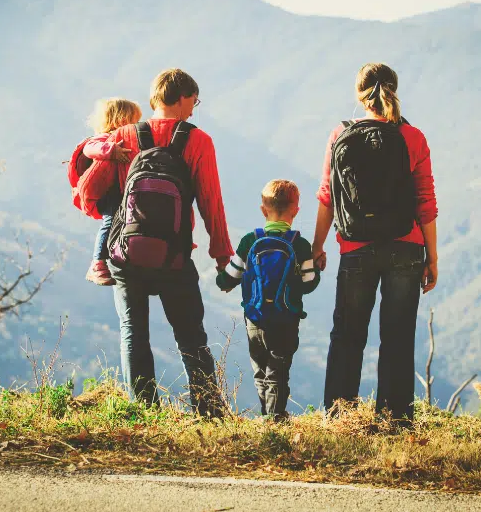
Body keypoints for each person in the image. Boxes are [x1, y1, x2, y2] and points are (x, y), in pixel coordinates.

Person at [79, 68, 234, 417]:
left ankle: (145, 412)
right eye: (193, 101)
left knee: (133, 331)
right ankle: (209, 412)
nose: (194, 110)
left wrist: (112, 204)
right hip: (175, 257)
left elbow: (87, 191)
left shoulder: (122, 137)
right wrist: (222, 254)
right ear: (181, 99)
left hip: (125, 255)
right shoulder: (198, 141)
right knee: (191, 335)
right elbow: (212, 202)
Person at [312, 62, 438, 426]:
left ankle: (339, 416)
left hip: (355, 249)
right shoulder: (412, 137)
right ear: (395, 90)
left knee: (348, 334)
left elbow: (327, 196)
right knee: (397, 336)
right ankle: (395, 419)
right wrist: (432, 257)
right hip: (406, 247)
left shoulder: (340, 134)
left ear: (359, 94)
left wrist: (318, 246)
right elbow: (425, 201)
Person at [216, 180, 320, 420]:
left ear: (263, 210)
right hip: (286, 319)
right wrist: (317, 268)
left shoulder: (249, 242)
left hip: (255, 319)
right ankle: (275, 419)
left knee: (260, 371)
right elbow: (309, 284)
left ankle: (267, 414)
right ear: (295, 210)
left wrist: (222, 278)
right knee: (278, 371)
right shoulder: (300, 245)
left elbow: (229, 279)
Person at [81, 98, 140, 286]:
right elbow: (89, 148)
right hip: (109, 191)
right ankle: (97, 263)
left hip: (123, 190)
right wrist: (111, 150)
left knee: (121, 223)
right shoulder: (102, 138)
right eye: (133, 120)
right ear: (119, 119)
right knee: (109, 222)